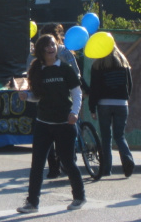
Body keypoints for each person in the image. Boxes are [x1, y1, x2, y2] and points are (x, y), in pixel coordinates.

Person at [17, 34, 86, 213]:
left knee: (68, 162)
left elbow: (77, 93)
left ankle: (79, 196)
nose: (51, 48)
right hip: (43, 123)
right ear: (41, 50)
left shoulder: (66, 69)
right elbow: (37, 96)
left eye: (53, 45)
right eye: (47, 45)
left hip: (64, 123)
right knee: (37, 164)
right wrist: (27, 96)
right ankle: (32, 203)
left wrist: (74, 112)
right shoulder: (37, 70)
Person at [27, 23, 81, 179]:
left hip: (53, 107)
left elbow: (30, 75)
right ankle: (68, 162)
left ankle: (54, 167)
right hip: (58, 105)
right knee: (64, 136)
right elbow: (76, 73)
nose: (50, 48)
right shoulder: (64, 51)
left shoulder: (37, 54)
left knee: (50, 139)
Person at [89, 43, 134, 177]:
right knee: (119, 135)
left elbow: (94, 88)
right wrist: (126, 99)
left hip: (104, 104)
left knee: (106, 137)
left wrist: (92, 107)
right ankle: (127, 159)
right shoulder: (123, 63)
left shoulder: (97, 65)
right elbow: (129, 85)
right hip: (121, 103)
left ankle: (106, 169)